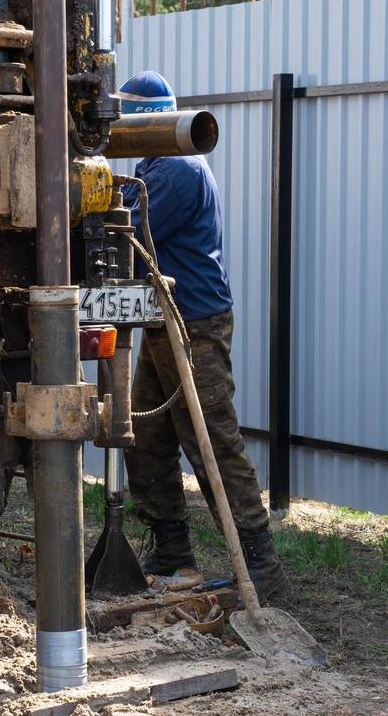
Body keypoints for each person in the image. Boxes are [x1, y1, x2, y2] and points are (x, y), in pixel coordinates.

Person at [118, 70, 296, 607]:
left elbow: (126, 233)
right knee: (146, 436)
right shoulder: (159, 164)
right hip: (163, 317)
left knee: (212, 440)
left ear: (144, 119)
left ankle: (261, 568)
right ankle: (173, 551)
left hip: (194, 322)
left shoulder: (174, 168)